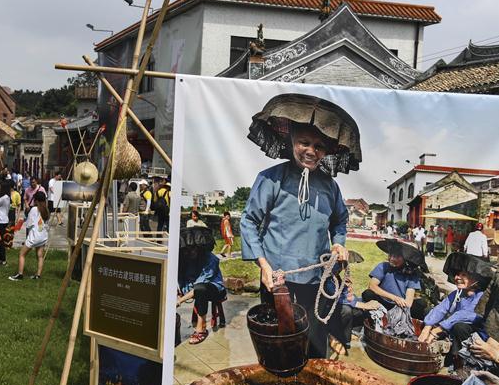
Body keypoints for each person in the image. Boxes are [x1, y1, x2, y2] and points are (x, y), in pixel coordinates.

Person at [240, 94, 360, 359]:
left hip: (316, 279)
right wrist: (263, 265)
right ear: (291, 141)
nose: (311, 150)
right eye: (304, 142)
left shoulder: (330, 186)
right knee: (279, 342)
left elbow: (339, 220)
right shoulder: (271, 179)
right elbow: (249, 220)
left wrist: (339, 242)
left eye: (318, 146)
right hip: (277, 279)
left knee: (315, 343)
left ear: (326, 151)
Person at [419, 252, 492, 361]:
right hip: (452, 328)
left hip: (476, 335)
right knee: (429, 312)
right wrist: (427, 327)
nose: (457, 277)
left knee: (459, 326)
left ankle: (458, 360)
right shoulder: (457, 293)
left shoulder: (482, 296)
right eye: (457, 274)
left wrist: (436, 330)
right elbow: (440, 309)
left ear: (476, 279)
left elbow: (464, 315)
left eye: (464, 275)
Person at [177, 227, 227, 344]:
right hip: (195, 289)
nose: (190, 252)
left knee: (200, 289)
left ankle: (202, 328)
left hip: (214, 289)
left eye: (193, 249)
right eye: (188, 249)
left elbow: (200, 284)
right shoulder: (185, 259)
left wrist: (180, 300)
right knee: (198, 290)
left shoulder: (211, 259)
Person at [361, 238, 426, 319]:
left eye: (396, 257)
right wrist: (394, 298)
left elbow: (409, 299)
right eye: (391, 255)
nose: (392, 259)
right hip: (381, 301)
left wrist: (403, 309)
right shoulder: (383, 266)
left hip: (398, 306)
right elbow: (372, 286)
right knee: (368, 293)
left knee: (420, 305)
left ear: (405, 259)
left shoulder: (412, 274)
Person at [9, 191, 50, 281]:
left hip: (34, 237)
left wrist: (27, 211)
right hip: (43, 236)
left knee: (22, 254)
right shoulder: (46, 210)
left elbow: (29, 224)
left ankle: (20, 274)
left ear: (36, 201)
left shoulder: (34, 209)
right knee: (40, 256)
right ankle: (38, 275)